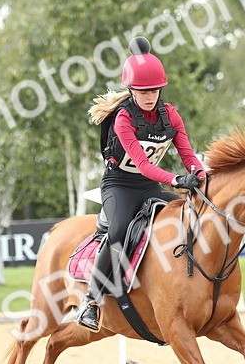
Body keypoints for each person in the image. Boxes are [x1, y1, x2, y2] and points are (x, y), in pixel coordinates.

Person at [76, 37, 206, 331]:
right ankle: (91, 301)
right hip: (119, 185)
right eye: (142, 91)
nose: (149, 96)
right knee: (119, 229)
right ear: (131, 89)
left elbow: (187, 153)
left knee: (187, 215)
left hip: (148, 187)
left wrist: (198, 173)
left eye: (154, 90)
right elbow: (144, 166)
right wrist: (175, 180)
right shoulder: (123, 118)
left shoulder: (170, 114)